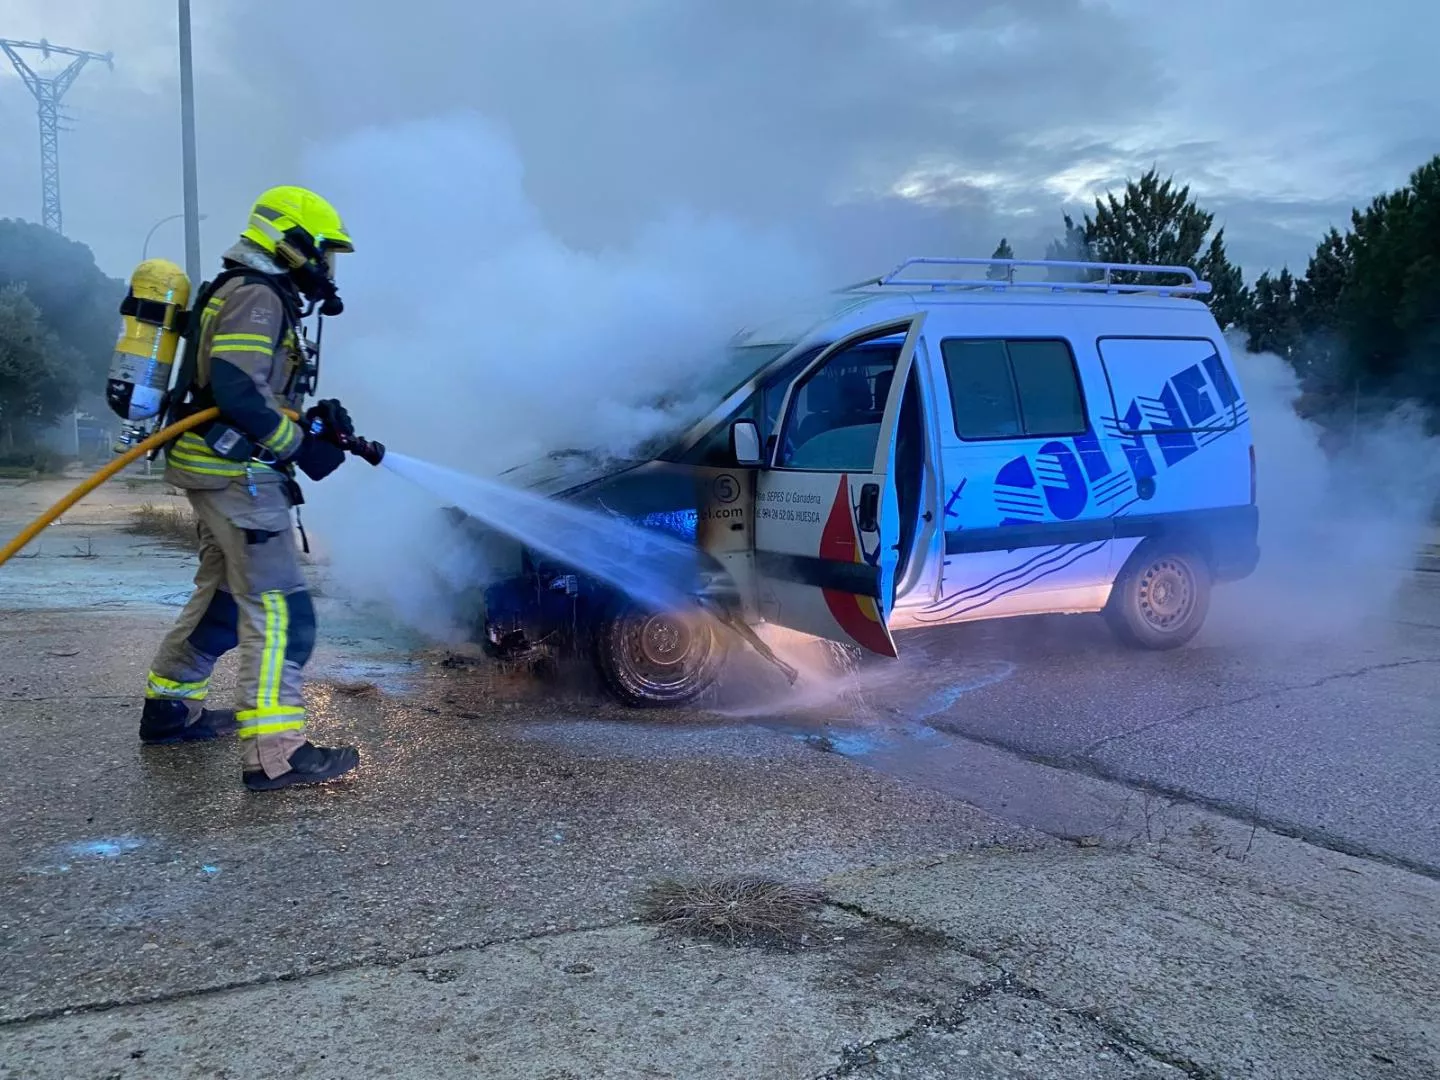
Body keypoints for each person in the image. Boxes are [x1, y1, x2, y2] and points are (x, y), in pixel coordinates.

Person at [138, 186, 364, 791]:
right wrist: (299, 447)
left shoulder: (245, 290)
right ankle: (277, 755)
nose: (326, 267)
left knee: (219, 599)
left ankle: (168, 708)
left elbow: (248, 390)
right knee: (282, 612)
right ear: (292, 243)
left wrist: (308, 419)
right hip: (239, 478)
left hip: (213, 471)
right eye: (323, 252)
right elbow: (238, 391)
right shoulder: (259, 297)